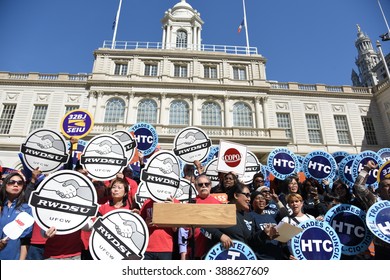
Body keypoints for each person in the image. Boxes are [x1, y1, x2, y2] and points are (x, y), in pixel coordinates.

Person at [202, 183, 275, 255]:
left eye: (249, 196)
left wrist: (264, 234)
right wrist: (220, 235)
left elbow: (250, 241)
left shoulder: (249, 217)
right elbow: (204, 225)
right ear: (236, 195)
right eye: (246, 195)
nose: (249, 199)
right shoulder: (222, 210)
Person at [353, 160, 390, 259]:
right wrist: (366, 168)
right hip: (384, 251)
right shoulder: (375, 202)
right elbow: (358, 186)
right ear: (380, 190)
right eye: (387, 186)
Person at [179, 174, 221, 260]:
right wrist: (183, 254)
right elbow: (183, 231)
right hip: (194, 251)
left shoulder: (219, 205)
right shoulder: (191, 204)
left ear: (210, 185)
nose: (204, 186)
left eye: (206, 184)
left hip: (214, 250)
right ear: (196, 187)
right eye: (200, 184)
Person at [0, 172, 33, 260]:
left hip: (13, 257)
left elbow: (25, 240)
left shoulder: (27, 209)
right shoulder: (1, 205)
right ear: (5, 184)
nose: (16, 185)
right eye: (11, 182)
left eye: (19, 183)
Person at [278, 193, 315, 259]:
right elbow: (281, 242)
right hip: (295, 256)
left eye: (297, 201)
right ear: (289, 205)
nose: (294, 204)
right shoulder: (286, 220)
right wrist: (288, 256)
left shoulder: (311, 218)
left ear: (302, 203)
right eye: (292, 202)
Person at [249, 191, 285, 259]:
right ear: (252, 202)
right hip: (261, 258)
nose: (261, 200)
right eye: (258, 198)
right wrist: (264, 234)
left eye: (263, 198)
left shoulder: (270, 216)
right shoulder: (249, 216)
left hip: (276, 257)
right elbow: (250, 239)